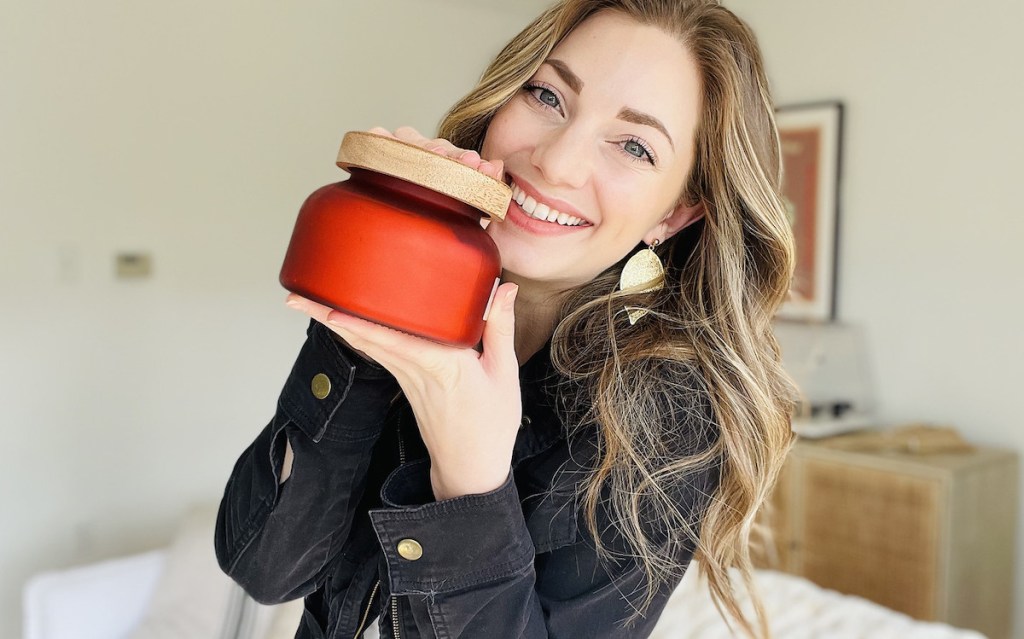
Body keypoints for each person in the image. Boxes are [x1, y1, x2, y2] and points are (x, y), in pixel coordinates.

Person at [215, 1, 797, 637]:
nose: (556, 161)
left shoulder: (669, 422)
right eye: (547, 95)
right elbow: (264, 567)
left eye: (634, 145)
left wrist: (471, 483)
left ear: (674, 215)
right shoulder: (414, 289)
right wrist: (367, 318)